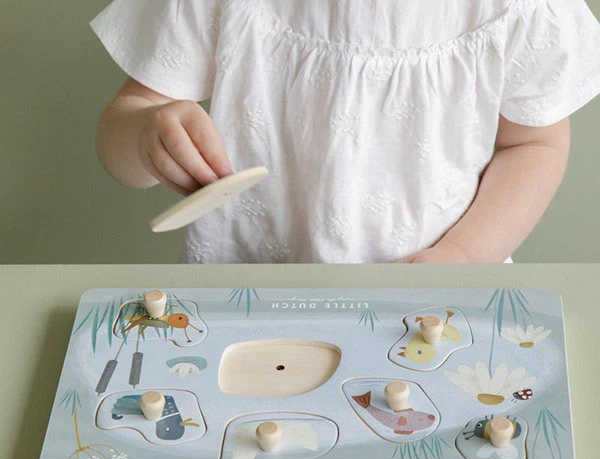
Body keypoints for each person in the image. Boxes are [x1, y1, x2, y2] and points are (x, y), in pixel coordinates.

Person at [92, 0, 600, 263]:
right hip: (251, 291)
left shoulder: (519, 7)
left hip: (440, 293)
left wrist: (463, 256)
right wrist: (145, 135)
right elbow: (129, 122)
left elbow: (533, 143)